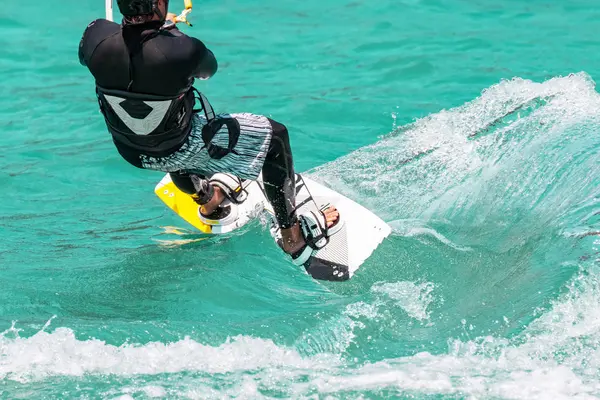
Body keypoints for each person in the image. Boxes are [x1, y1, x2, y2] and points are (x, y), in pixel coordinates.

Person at [78, 0, 339, 265]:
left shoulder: (95, 36)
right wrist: (169, 35)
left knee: (164, 128)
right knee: (275, 137)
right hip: (180, 146)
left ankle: (209, 200)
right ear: (158, 4)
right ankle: (292, 236)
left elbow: (108, 51)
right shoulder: (182, 49)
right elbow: (208, 70)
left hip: (133, 151)